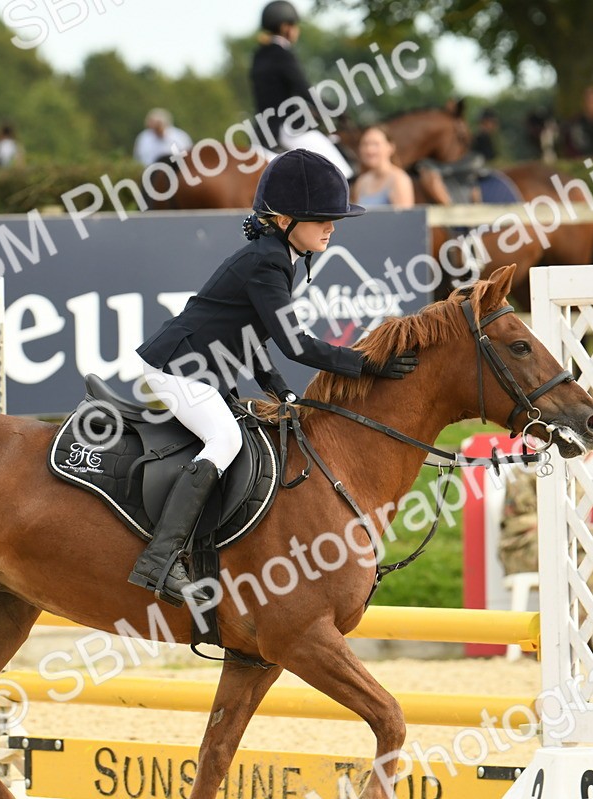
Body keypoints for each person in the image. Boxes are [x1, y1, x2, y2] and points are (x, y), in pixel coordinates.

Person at [131, 149, 418, 605]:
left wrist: (278, 388)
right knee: (225, 440)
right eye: (321, 218)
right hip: (174, 368)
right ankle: (159, 559)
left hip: (202, 367)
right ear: (284, 220)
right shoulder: (268, 261)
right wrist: (365, 362)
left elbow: (251, 334)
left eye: (333, 218)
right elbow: (296, 344)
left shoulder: (278, 255)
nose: (332, 226)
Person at [249, 1, 353, 178]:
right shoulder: (283, 54)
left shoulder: (258, 55)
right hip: (286, 128)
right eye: (295, 26)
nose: (297, 30)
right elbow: (304, 91)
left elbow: (273, 95)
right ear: (285, 28)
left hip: (262, 129)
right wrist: (335, 110)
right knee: (341, 170)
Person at [350, 126, 414, 209]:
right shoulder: (361, 182)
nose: (369, 150)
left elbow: (406, 216)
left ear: (390, 147)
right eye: (365, 144)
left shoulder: (399, 180)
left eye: (376, 144)